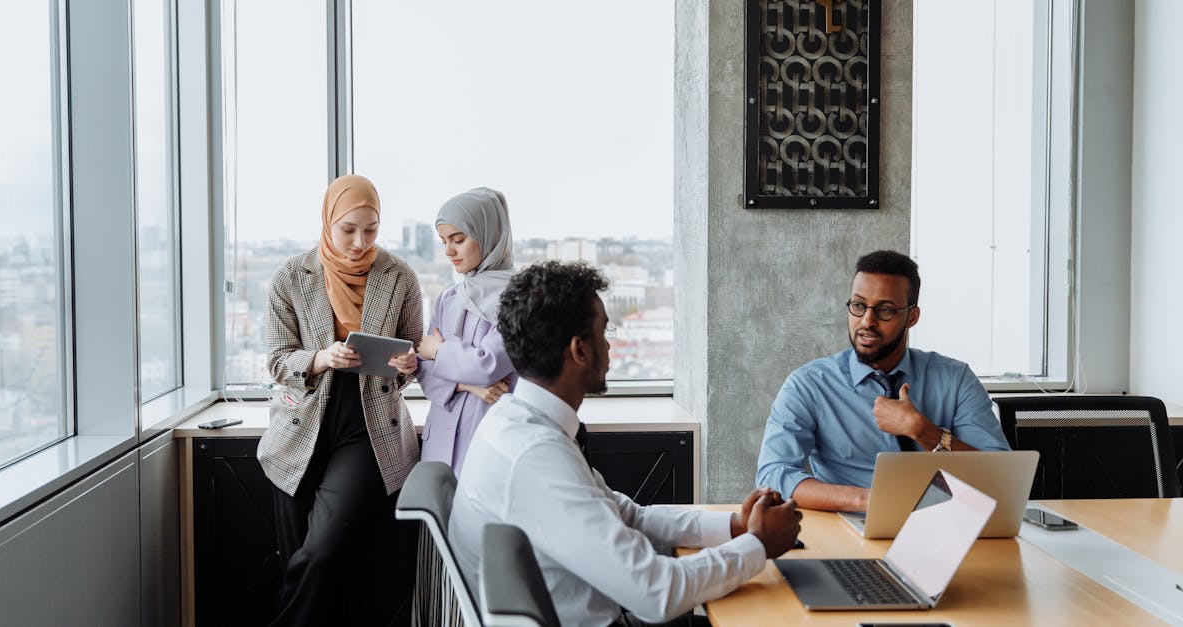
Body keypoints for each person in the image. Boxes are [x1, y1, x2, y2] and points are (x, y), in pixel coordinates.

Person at [449, 261, 803, 627]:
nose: (608, 344)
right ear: (579, 351)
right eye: (604, 332)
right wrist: (758, 545)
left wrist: (736, 527)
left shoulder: (518, 421)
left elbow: (630, 516)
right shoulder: (536, 453)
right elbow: (657, 593)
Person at [258, 174, 422, 626]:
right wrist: (320, 358)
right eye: (348, 229)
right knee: (301, 560)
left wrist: (409, 366)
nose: (359, 241)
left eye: (370, 229)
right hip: (299, 427)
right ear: (328, 221)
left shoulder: (399, 276)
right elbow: (276, 361)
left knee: (321, 552)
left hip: (370, 428)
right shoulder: (292, 276)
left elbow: (416, 351)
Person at [755, 249, 1010, 513]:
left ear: (912, 317)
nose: (867, 321)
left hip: (945, 524)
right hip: (849, 527)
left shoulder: (956, 379)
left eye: (885, 310)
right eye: (858, 305)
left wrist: (924, 431)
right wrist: (869, 500)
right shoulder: (809, 385)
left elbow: (1000, 477)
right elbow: (773, 473)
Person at [415, 187, 517, 474]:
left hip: (487, 429)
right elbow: (422, 368)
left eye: (458, 240)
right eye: (444, 241)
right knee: (436, 511)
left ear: (489, 236)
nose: (449, 251)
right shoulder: (449, 298)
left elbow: (488, 365)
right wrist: (467, 385)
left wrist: (439, 351)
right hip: (441, 433)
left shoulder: (518, 297)